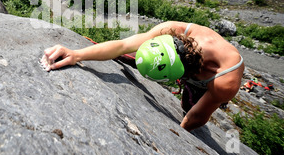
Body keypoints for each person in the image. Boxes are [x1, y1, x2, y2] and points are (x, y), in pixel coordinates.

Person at [41, 21, 244, 132]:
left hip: (205, 83)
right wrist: (75, 54)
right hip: (185, 65)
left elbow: (196, 117)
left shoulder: (224, 81)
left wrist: (177, 136)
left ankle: (191, 89)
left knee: (188, 107)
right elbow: (123, 45)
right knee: (128, 55)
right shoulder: (173, 30)